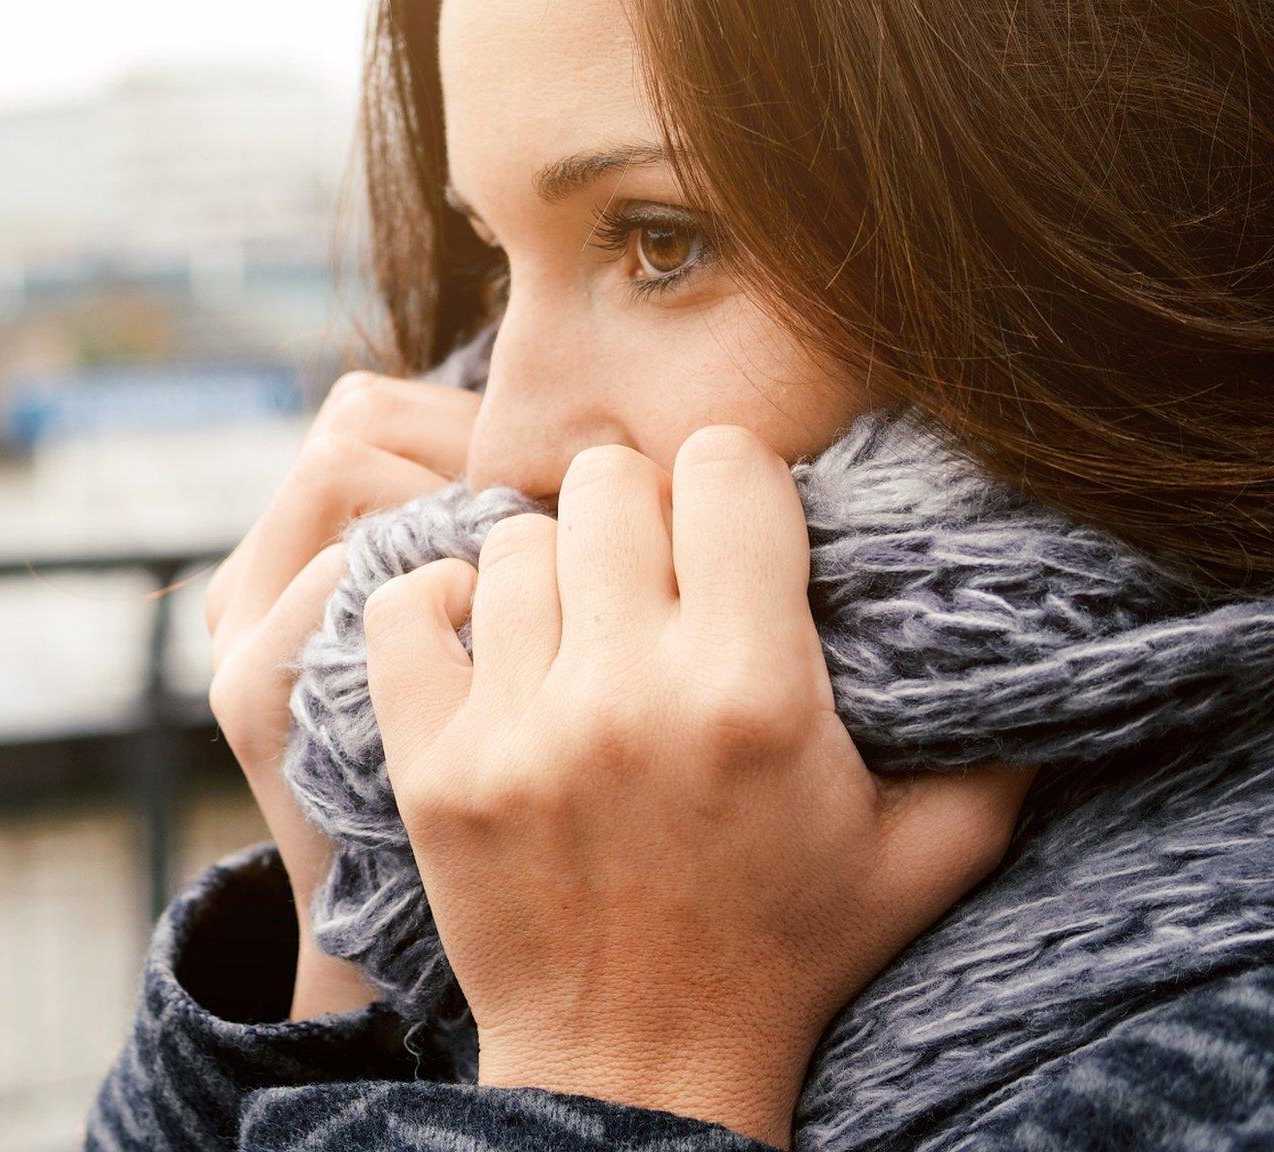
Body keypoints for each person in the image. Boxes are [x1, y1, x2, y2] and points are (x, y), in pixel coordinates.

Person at [88, 0, 1274, 1148]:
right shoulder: (521, 848)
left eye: (661, 242)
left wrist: (613, 1072)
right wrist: (356, 939)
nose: (503, 446)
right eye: (499, 263)